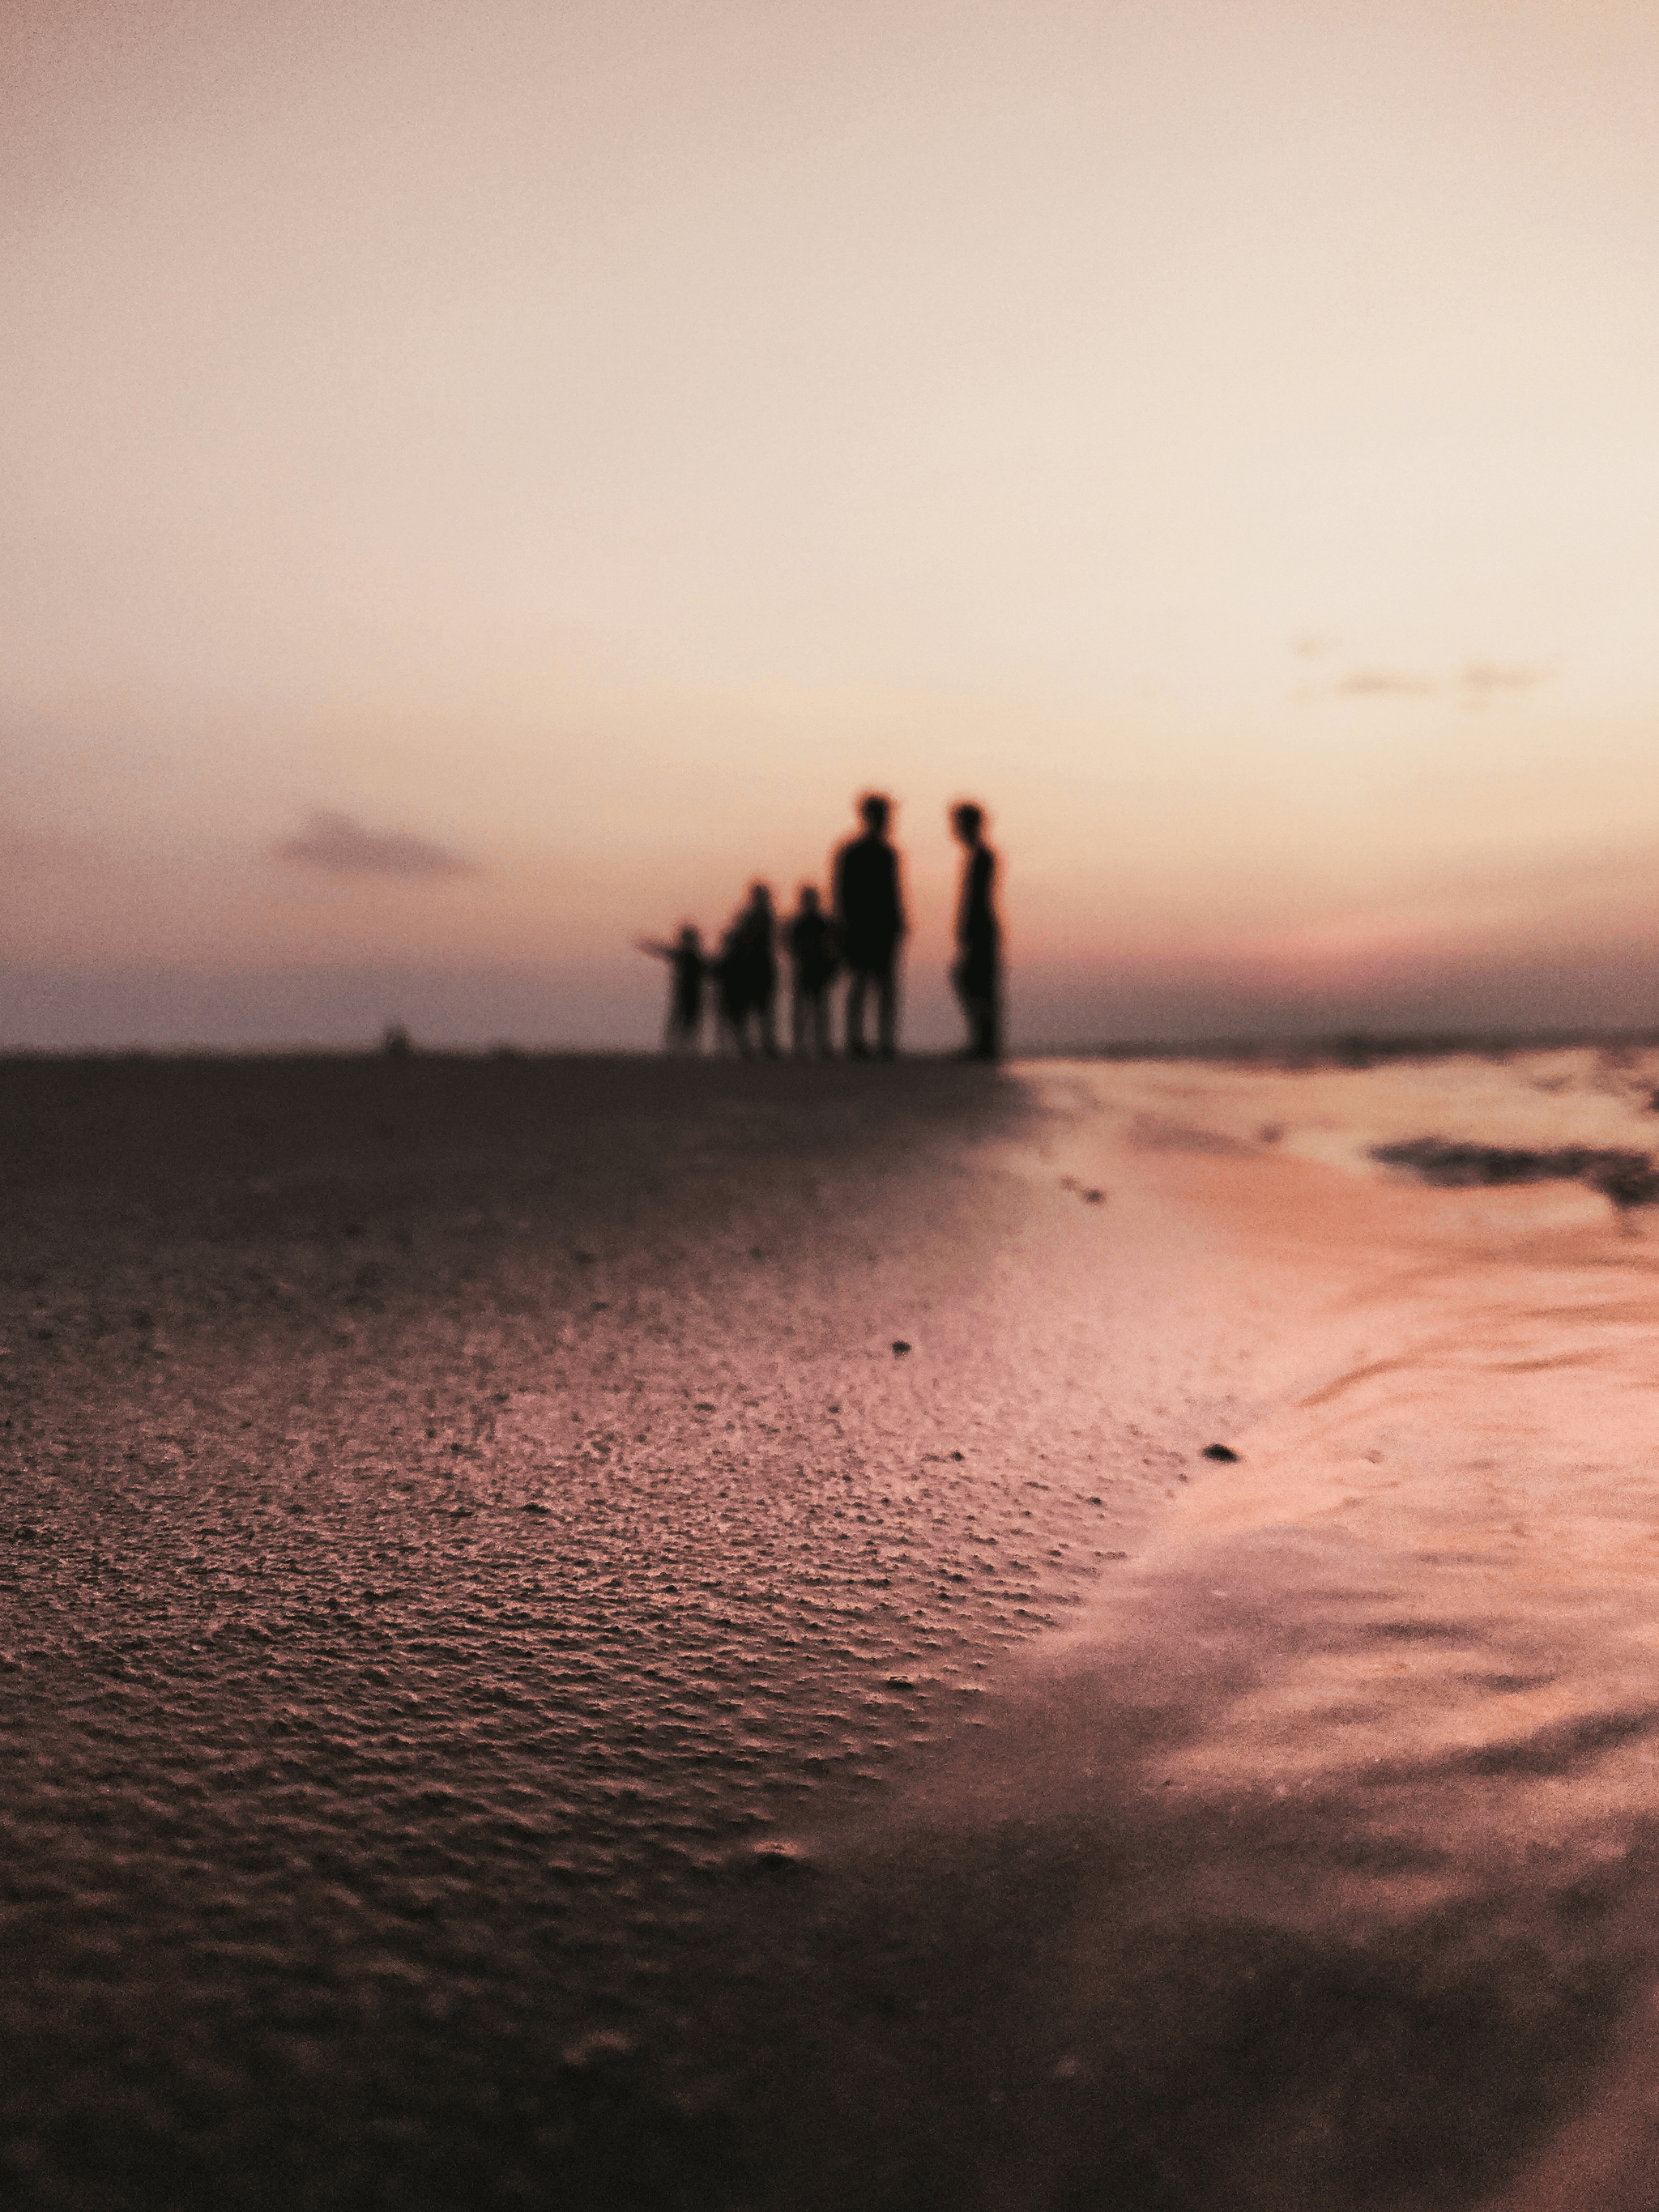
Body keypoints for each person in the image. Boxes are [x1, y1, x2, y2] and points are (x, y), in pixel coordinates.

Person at [832, 794, 905, 1059]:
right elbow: (841, 893)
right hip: (862, 928)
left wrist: (899, 923)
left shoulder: (887, 853)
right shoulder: (854, 852)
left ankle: (883, 1041)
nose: (888, 821)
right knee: (864, 982)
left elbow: (894, 892)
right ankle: (857, 1040)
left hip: (883, 928)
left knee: (883, 985)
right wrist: (846, 926)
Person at [950, 801, 1000, 1061]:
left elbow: (977, 898)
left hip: (981, 929)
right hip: (980, 928)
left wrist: (967, 927)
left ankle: (984, 1043)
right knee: (975, 983)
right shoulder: (978, 856)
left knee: (977, 984)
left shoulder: (982, 857)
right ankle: (982, 1042)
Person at [718, 883, 780, 1059]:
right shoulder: (756, 916)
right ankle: (754, 1046)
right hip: (751, 969)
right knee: (755, 1009)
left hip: (756, 968)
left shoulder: (758, 917)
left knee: (760, 1009)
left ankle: (759, 1045)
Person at [785, 885, 840, 1059]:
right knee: (803, 1010)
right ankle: (801, 1045)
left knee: (820, 1010)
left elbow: (834, 947)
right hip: (804, 971)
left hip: (818, 972)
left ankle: (822, 1044)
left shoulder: (823, 923)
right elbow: (790, 946)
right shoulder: (799, 923)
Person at [636, 925, 708, 1054]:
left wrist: (648, 945)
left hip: (690, 995)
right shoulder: (692, 956)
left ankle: (682, 1049)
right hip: (687, 994)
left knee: (686, 1022)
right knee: (684, 1022)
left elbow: (664, 951)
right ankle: (679, 1049)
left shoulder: (690, 956)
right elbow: (664, 950)